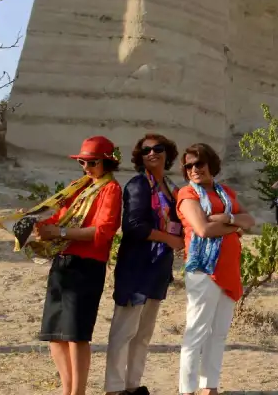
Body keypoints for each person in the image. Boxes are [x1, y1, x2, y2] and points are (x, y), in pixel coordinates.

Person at [32, 136, 124, 395]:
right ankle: (68, 390)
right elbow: (59, 216)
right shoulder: (79, 186)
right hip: (63, 261)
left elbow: (103, 232)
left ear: (106, 162)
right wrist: (34, 224)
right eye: (82, 162)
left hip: (88, 264)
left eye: (91, 162)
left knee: (76, 334)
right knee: (54, 334)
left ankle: (78, 392)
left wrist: (59, 233)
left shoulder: (111, 189)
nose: (85, 167)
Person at [105, 134, 183, 395]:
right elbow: (134, 227)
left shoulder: (171, 188)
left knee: (144, 333)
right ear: (139, 157)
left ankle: (133, 386)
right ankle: (114, 388)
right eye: (146, 150)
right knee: (124, 331)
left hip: (158, 268)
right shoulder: (138, 185)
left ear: (167, 153)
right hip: (136, 267)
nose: (152, 153)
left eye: (158, 148)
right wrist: (170, 239)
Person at [176, 143, 255, 395]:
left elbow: (250, 220)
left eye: (199, 163)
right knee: (196, 332)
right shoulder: (187, 194)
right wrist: (235, 225)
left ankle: (209, 387)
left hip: (229, 267)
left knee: (218, 333)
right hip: (203, 270)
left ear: (211, 164)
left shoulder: (225, 192)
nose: (194, 169)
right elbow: (203, 230)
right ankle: (186, 391)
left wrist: (227, 219)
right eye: (188, 166)